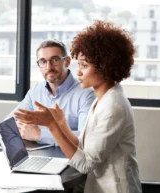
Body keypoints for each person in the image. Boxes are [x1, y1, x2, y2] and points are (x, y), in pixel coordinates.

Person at [14, 21, 142, 193]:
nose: (79, 72)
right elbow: (83, 146)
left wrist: (53, 126)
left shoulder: (113, 106)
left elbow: (85, 164)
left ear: (105, 67)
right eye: (79, 65)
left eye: (85, 65)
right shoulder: (103, 98)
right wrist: (61, 123)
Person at [6, 40, 95, 145]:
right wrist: (23, 129)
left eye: (55, 60)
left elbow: (84, 139)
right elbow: (8, 124)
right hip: (37, 154)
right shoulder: (36, 90)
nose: (49, 67)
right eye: (43, 61)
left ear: (67, 62)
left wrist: (39, 134)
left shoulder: (86, 94)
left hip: (69, 159)